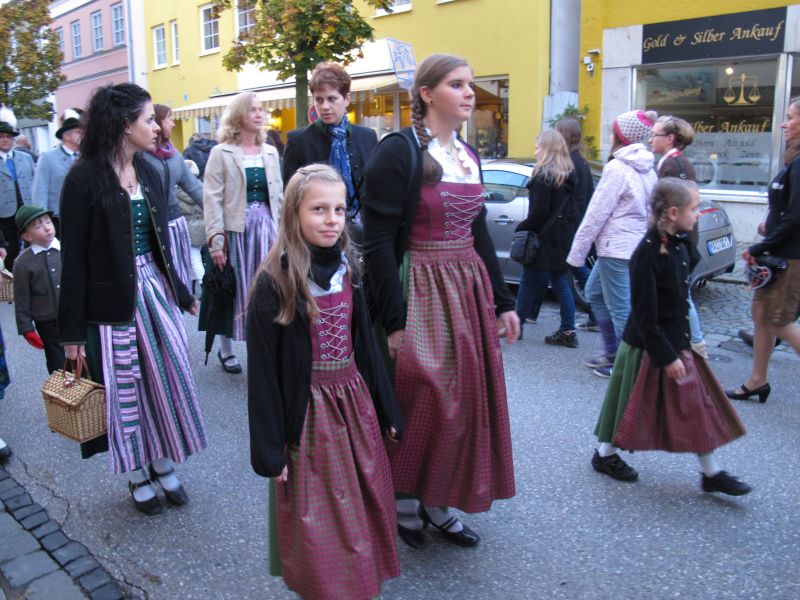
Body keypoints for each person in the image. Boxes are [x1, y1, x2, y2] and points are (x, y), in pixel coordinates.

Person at [362, 53, 519, 549]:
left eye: (470, 84)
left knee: (462, 403)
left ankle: (438, 499)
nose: (469, 92)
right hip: (419, 284)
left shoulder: (468, 155)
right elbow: (378, 242)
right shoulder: (398, 152)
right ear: (427, 94)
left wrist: (503, 302)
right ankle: (405, 499)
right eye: (457, 84)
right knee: (421, 394)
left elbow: (477, 232)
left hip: (465, 290)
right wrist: (394, 320)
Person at [247, 164, 404, 600]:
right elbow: (263, 376)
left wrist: (387, 407)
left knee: (360, 502)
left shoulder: (349, 270)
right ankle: (325, 587)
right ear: (293, 214)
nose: (332, 219)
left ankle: (357, 582)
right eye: (318, 209)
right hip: (309, 414)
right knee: (318, 513)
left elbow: (366, 348)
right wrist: (270, 450)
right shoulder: (274, 284)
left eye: (338, 209)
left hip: (354, 404)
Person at [58, 83, 207, 516]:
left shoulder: (151, 170)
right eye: (147, 120)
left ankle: (161, 458)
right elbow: (73, 260)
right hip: (112, 304)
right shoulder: (83, 178)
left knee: (167, 377)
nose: (157, 128)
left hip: (154, 292)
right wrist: (72, 333)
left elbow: (161, 244)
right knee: (128, 388)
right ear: (125, 125)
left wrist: (181, 291)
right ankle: (137, 471)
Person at [590, 178, 751, 496]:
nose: (699, 214)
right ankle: (605, 454)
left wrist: (684, 345)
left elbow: (684, 278)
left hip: (677, 341)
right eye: (694, 208)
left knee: (695, 406)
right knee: (628, 405)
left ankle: (711, 472)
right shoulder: (647, 254)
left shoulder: (679, 243)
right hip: (649, 347)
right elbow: (644, 316)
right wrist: (666, 356)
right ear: (674, 213)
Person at [567, 109, 658, 377]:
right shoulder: (647, 167)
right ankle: (611, 352)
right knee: (594, 293)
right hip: (632, 246)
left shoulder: (617, 168)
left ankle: (625, 366)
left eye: (612, 131)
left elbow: (597, 213)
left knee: (621, 309)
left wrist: (576, 255)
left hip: (616, 249)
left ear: (620, 135)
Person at [201, 92, 284, 373]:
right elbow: (212, 199)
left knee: (268, 288)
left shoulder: (269, 151)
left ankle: (264, 345)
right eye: (253, 110)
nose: (260, 114)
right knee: (233, 288)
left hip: (266, 229)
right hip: (236, 231)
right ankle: (226, 349)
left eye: (261, 109)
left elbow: (279, 196)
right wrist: (216, 242)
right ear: (238, 116)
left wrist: (284, 233)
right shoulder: (221, 152)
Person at [726, 96, 800, 403]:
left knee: (778, 320)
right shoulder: (793, 160)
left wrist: (761, 245)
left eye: (790, 117)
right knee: (761, 314)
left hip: (789, 256)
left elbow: (796, 215)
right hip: (778, 252)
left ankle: (758, 379)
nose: (784, 124)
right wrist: (769, 227)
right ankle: (757, 380)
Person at [282, 62, 378, 221]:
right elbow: (290, 196)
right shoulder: (298, 140)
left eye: (332, 99)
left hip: (364, 228)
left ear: (346, 99)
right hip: (318, 227)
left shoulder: (367, 136)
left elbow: (376, 187)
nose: (325, 106)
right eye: (319, 100)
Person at [649, 115, 708, 358]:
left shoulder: (673, 166)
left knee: (680, 292)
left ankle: (696, 344)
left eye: (655, 135)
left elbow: (673, 207)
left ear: (670, 138)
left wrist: (665, 236)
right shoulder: (673, 162)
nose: (651, 139)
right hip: (677, 236)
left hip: (677, 237)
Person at [514, 129, 579, 346]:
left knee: (528, 281)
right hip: (562, 237)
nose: (535, 151)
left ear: (547, 149)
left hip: (544, 238)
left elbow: (539, 212)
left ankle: (517, 325)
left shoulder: (543, 176)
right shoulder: (568, 175)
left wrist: (523, 227)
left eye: (538, 147)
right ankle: (568, 330)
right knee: (560, 281)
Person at [142, 104, 204, 291]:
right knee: (161, 278)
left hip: (177, 225)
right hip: (154, 226)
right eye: (169, 119)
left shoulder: (174, 156)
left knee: (180, 274)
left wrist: (218, 211)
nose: (173, 124)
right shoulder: (141, 156)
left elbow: (195, 188)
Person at [555, 118, 597, 331]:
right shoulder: (580, 161)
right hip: (577, 222)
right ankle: (596, 314)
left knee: (571, 271)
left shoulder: (570, 163)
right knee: (576, 269)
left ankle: (571, 326)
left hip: (570, 224)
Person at [13, 206, 64, 373]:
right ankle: (62, 389)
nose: (47, 228)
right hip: (47, 321)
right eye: (38, 226)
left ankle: (88, 388)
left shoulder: (67, 249)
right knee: (57, 363)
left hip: (74, 315)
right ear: (27, 236)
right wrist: (26, 327)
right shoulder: (22, 262)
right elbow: (21, 298)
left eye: (48, 222)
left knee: (82, 359)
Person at [31, 108, 83, 237]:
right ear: (66, 136)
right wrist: (41, 220)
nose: (83, 135)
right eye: (78, 132)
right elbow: (40, 191)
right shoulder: (48, 158)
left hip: (83, 215)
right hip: (58, 218)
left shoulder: (86, 157)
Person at [0, 107, 35, 270]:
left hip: (27, 211)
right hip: (5, 216)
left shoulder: (26, 158)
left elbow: (34, 183)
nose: (5, 140)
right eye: (1, 136)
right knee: (10, 252)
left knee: (33, 250)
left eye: (8, 136)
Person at [176, 159, 206, 292]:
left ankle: (202, 284)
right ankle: (198, 283)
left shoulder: (178, 191)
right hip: (202, 227)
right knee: (196, 256)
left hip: (189, 228)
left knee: (194, 258)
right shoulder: (201, 187)